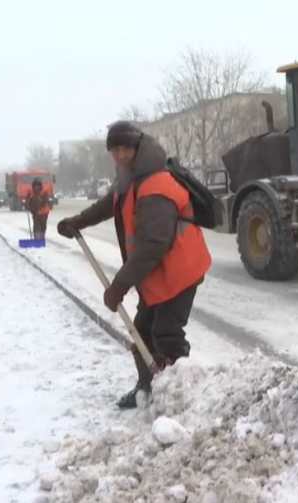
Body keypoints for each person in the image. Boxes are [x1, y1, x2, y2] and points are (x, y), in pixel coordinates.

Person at [57, 121, 212, 409]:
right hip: (157, 273)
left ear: (137, 147)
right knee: (141, 329)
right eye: (114, 149)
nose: (119, 155)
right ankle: (147, 390)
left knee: (166, 333)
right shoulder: (131, 177)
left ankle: (181, 397)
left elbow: (153, 245)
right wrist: (78, 222)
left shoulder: (156, 185)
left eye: (125, 148)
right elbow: (110, 203)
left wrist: (119, 286)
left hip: (179, 270)